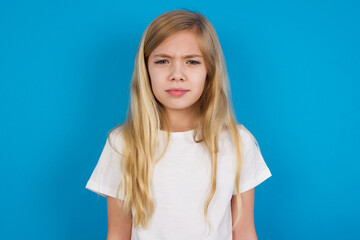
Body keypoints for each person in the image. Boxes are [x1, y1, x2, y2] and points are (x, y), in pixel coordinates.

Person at [85, 9, 272, 240]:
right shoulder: (123, 144)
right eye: (163, 61)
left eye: (192, 61)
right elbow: (117, 234)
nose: (177, 74)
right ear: (146, 69)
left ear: (209, 71)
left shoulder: (238, 142)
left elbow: (243, 232)